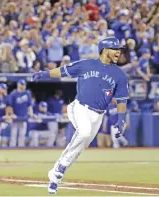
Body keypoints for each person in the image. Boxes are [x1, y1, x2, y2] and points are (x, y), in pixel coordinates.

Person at [32, 37, 129, 194]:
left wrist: (121, 118)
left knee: (80, 147)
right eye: (115, 49)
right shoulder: (86, 64)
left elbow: (122, 99)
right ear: (104, 50)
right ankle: (60, 170)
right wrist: (45, 73)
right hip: (80, 108)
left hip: (99, 115)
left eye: (119, 49)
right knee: (83, 133)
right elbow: (63, 71)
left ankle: (56, 172)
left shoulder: (119, 75)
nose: (118, 52)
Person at [7, 79, 33, 147]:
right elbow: (10, 105)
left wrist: (31, 113)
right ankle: (12, 148)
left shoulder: (27, 93)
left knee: (22, 134)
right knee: (13, 134)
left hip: (24, 117)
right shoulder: (13, 93)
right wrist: (12, 114)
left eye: (24, 85)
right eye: (22, 84)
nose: (23, 86)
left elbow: (29, 105)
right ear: (18, 85)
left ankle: (21, 148)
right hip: (15, 118)